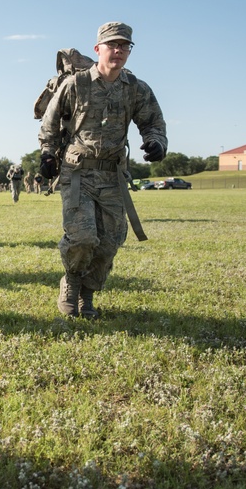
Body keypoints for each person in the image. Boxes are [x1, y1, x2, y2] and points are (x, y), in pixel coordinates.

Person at [37, 22, 166, 320]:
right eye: (112, 45)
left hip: (113, 175)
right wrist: (47, 154)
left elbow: (153, 123)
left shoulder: (136, 88)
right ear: (98, 49)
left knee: (109, 241)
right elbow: (50, 123)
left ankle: (88, 293)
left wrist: (156, 142)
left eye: (124, 46)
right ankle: (70, 282)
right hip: (78, 172)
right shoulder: (77, 84)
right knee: (82, 237)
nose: (118, 51)